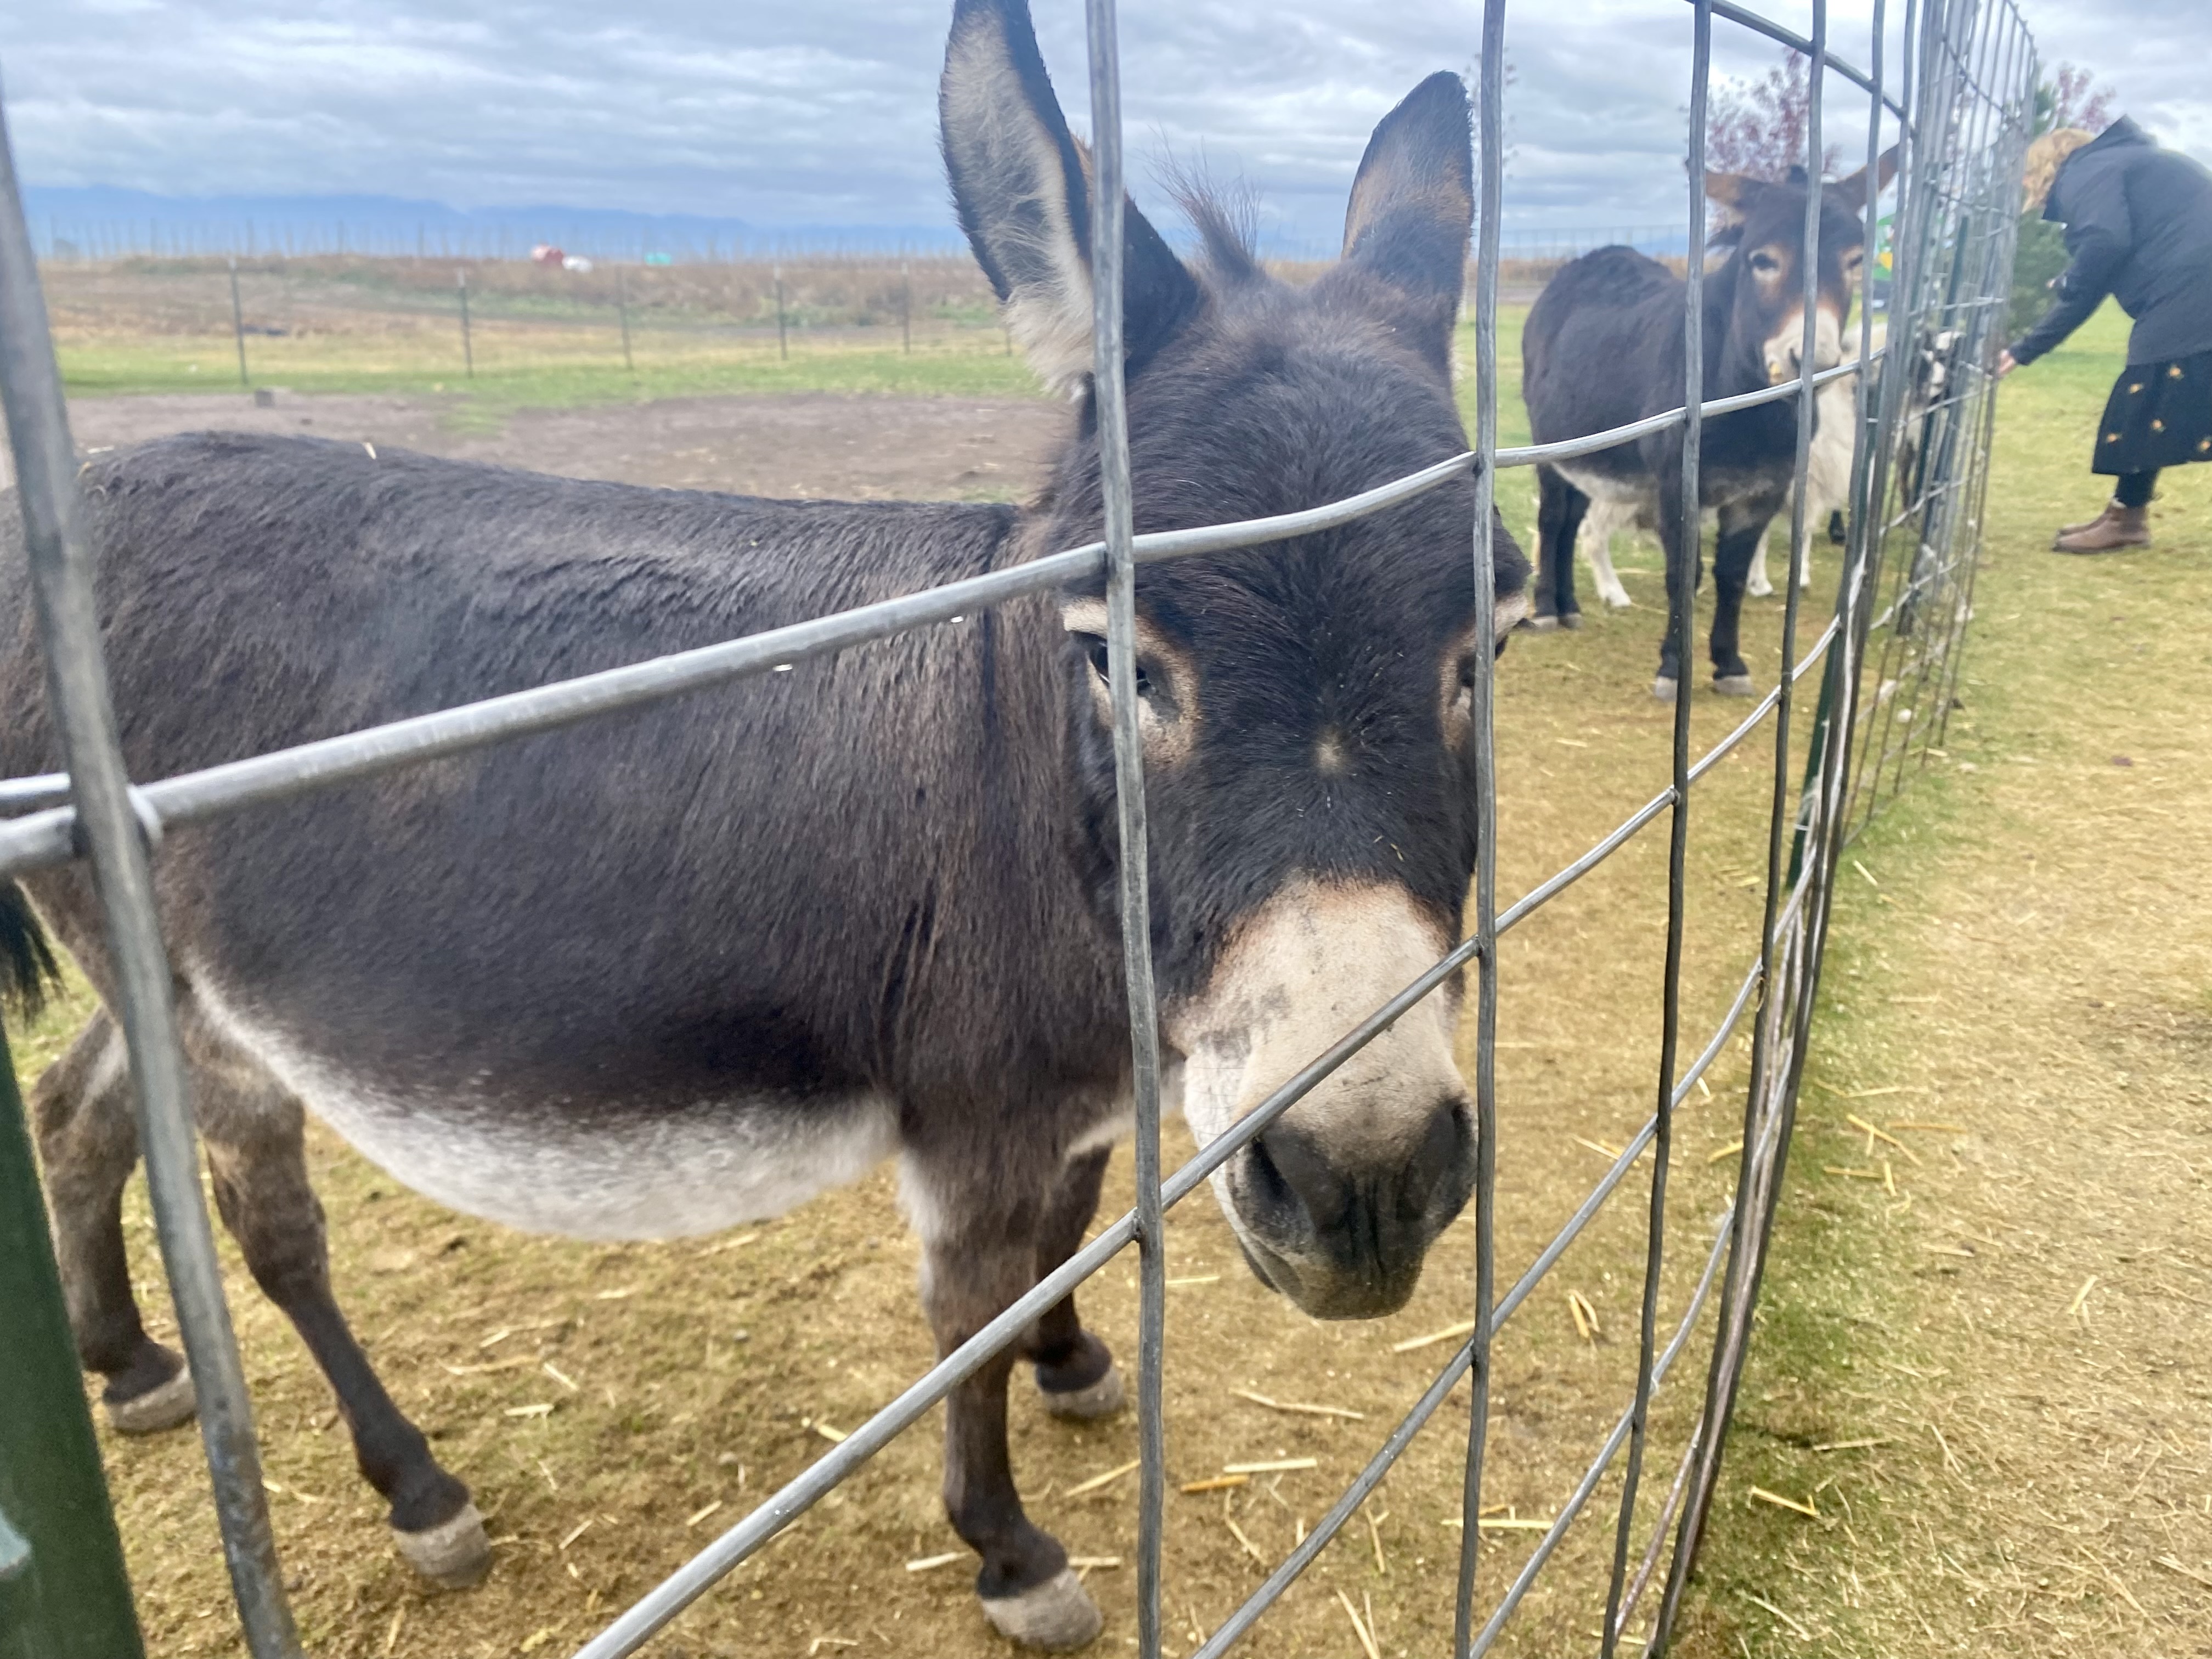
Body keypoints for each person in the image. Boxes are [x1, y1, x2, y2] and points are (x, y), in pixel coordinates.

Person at [1997, 117, 2212, 553]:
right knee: (2161, 386)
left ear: (2047, 166)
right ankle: (2125, 516)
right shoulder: (2123, 166)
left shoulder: (2086, 171)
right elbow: (2090, 284)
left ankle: (2126, 519)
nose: (2026, 188)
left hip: (2192, 280)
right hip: (2191, 276)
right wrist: (2024, 350)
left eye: (2027, 176)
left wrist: (2068, 281)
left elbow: (2105, 243)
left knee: (2148, 386)